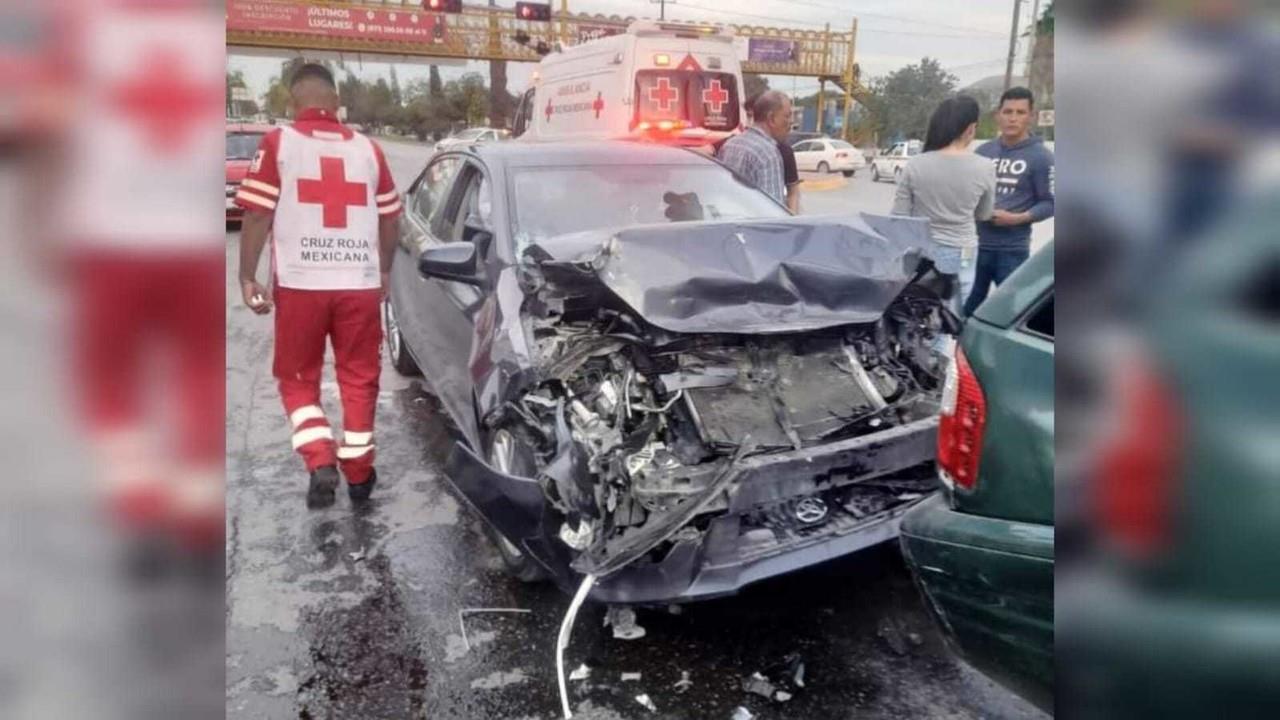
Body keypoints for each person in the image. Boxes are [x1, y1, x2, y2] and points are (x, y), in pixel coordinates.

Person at [235, 63, 403, 509]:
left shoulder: (280, 143)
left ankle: (318, 459)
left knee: (296, 378)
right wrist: (383, 271)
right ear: (335, 100)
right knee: (360, 378)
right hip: (359, 285)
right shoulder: (369, 150)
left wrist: (246, 275)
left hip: (301, 285)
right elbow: (391, 218)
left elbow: (255, 215)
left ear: (294, 102)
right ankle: (361, 474)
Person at [891, 95, 996, 314]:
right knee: (953, 311)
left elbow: (899, 216)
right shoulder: (984, 167)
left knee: (920, 313)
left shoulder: (916, 164)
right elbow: (985, 214)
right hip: (964, 250)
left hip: (921, 252)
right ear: (970, 128)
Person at [964, 87, 1055, 315]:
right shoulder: (983, 152)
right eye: (1008, 111)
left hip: (1012, 250)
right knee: (965, 310)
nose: (1013, 118)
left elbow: (1051, 203)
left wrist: (1019, 218)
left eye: (1020, 112)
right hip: (974, 246)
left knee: (1007, 312)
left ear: (1031, 117)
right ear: (998, 115)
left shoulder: (1042, 157)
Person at [717, 90, 792, 205]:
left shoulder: (730, 145)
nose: (791, 122)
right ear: (771, 118)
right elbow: (772, 212)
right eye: (787, 116)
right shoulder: (767, 154)